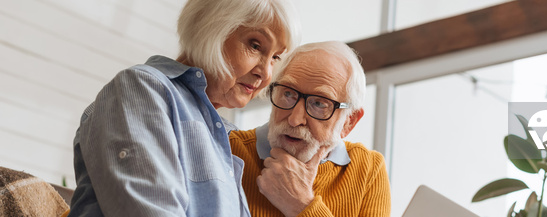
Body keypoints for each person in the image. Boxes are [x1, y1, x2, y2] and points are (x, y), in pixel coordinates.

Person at [68, 0, 300, 216]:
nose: (266, 73)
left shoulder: (223, 133)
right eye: (255, 45)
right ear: (212, 28)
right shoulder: (143, 88)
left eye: (275, 58)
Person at [228, 41, 391, 217]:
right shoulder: (229, 148)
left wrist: (301, 205)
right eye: (288, 94)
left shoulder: (368, 169)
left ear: (348, 122)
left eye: (319, 104)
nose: (294, 119)